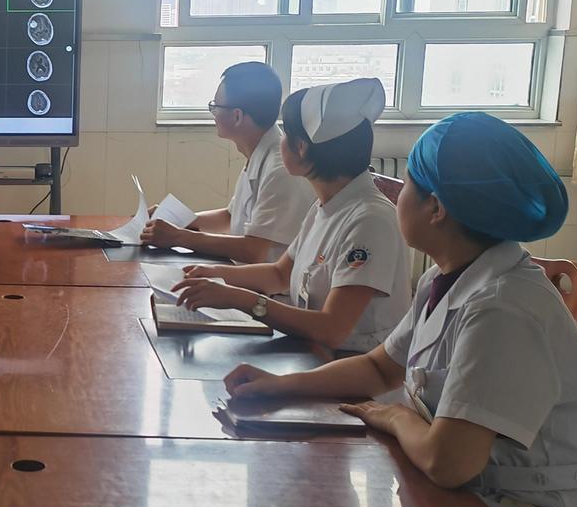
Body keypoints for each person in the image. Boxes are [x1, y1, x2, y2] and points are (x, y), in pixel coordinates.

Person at [225, 113, 577, 507]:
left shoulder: (502, 307)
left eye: (409, 185)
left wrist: (398, 418)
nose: (396, 194)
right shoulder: (450, 278)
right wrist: (279, 386)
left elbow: (449, 461)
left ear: (436, 208)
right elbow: (379, 367)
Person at [173, 78, 410, 353]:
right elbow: (279, 273)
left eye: (285, 133)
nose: (279, 142)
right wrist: (212, 274)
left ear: (301, 147)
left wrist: (240, 299)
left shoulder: (369, 221)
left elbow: (332, 329)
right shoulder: (327, 205)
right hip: (312, 351)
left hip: (349, 367)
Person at [142, 61, 313, 262]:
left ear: (237, 116)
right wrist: (173, 220)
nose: (213, 114)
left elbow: (254, 250)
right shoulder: (259, 152)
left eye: (215, 106)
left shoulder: (280, 170)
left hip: (263, 281)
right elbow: (230, 217)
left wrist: (179, 237)